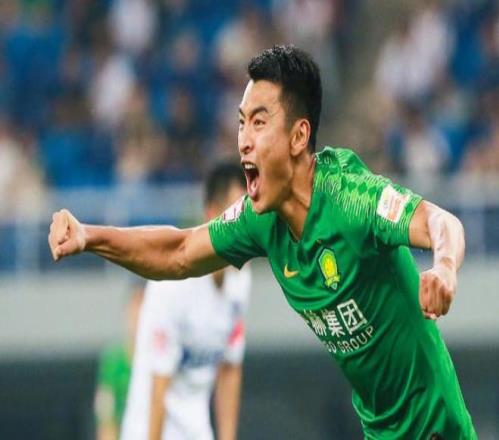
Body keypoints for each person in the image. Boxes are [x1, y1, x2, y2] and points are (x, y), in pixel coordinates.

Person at [49, 45, 476, 439]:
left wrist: (443, 267)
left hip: (436, 427)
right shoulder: (260, 219)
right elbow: (178, 252)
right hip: (379, 430)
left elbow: (441, 221)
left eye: (259, 122)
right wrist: (89, 235)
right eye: (241, 122)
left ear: (298, 137)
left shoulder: (351, 198)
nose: (243, 140)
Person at [120, 163, 250, 440]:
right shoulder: (173, 285)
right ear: (212, 214)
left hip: (196, 428)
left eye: (249, 214)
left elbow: (230, 367)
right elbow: (159, 386)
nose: (245, 225)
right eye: (237, 213)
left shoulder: (241, 281)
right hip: (149, 430)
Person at [94, 283, 145, 440]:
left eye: (143, 306)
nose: (138, 315)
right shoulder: (113, 361)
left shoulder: (162, 360)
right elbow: (106, 418)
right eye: (134, 307)